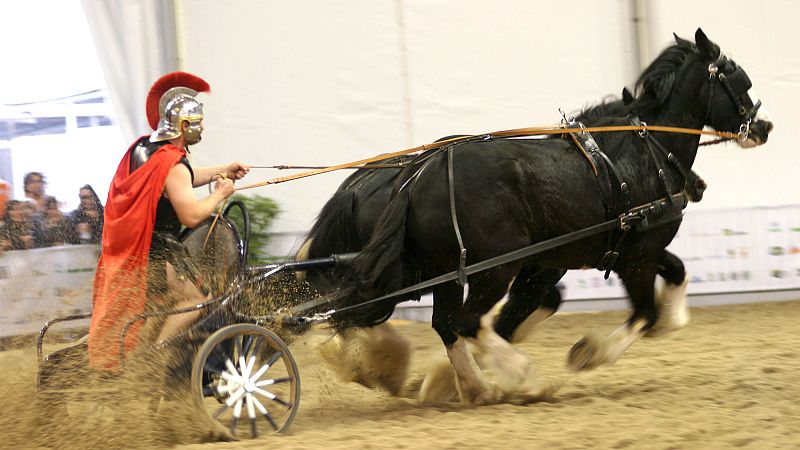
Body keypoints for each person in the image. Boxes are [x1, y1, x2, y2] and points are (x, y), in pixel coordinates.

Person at [88, 72, 250, 370]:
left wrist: (222, 169)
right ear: (184, 126)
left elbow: (180, 180)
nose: (202, 128)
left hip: (136, 251)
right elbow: (190, 213)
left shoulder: (144, 148)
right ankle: (157, 356)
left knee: (174, 301)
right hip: (158, 253)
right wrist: (220, 193)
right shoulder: (172, 162)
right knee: (198, 299)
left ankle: (152, 346)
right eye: (198, 123)